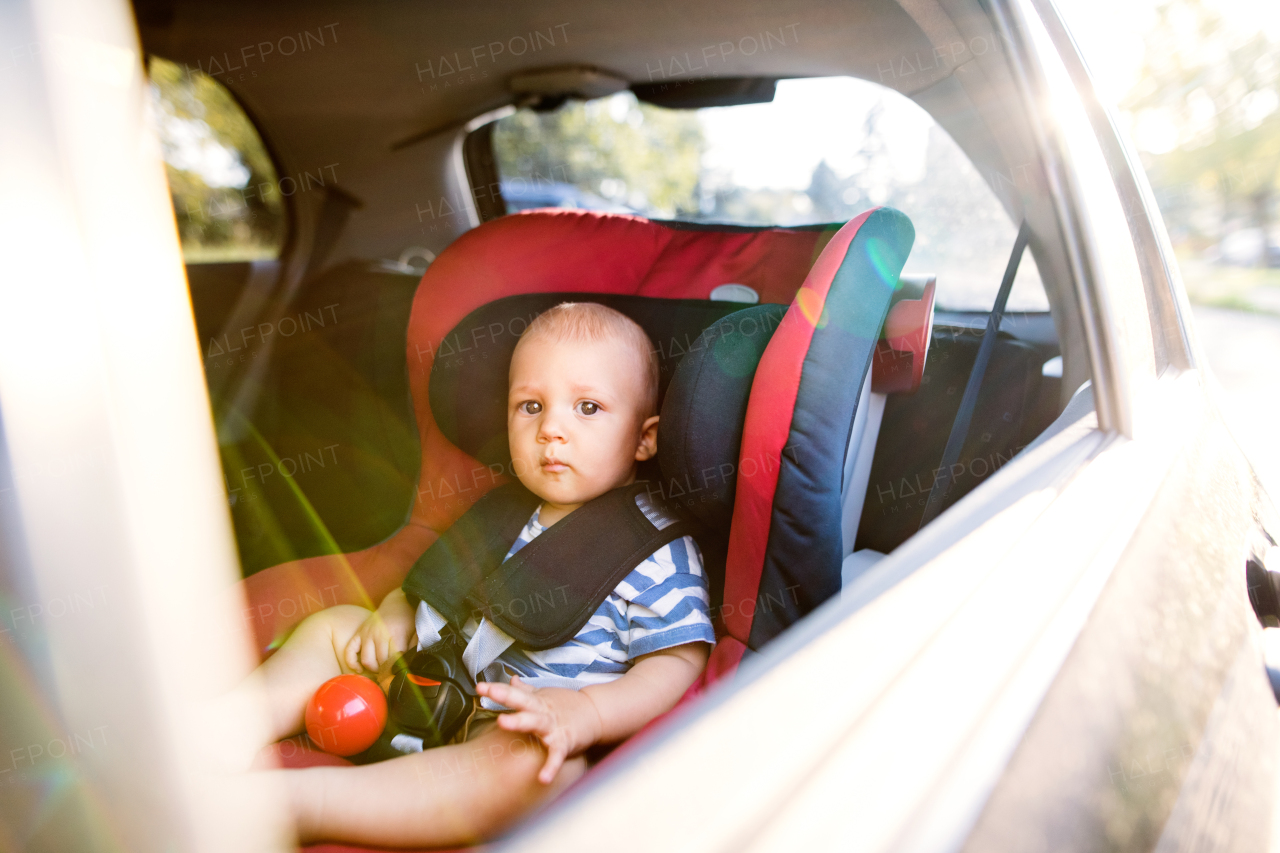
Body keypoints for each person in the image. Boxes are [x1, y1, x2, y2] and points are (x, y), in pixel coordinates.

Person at [238, 302, 715, 848]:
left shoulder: (657, 551)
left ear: (644, 437)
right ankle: (233, 724)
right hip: (425, 680)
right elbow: (433, 583)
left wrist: (586, 713)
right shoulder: (500, 510)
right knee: (337, 624)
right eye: (530, 406)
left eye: (587, 407)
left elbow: (679, 660)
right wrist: (394, 614)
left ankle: (310, 805)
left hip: (513, 725)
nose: (551, 429)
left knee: (546, 769)